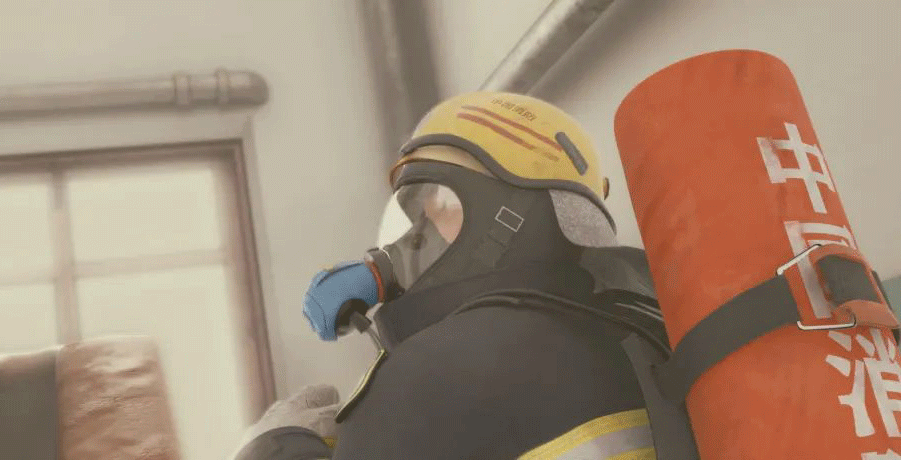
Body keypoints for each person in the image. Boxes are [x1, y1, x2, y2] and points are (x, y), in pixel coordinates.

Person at [233, 91, 668, 460]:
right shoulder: (641, 327)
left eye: (441, 207)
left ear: (507, 220)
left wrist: (276, 445)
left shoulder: (429, 374)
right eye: (416, 215)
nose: (416, 238)